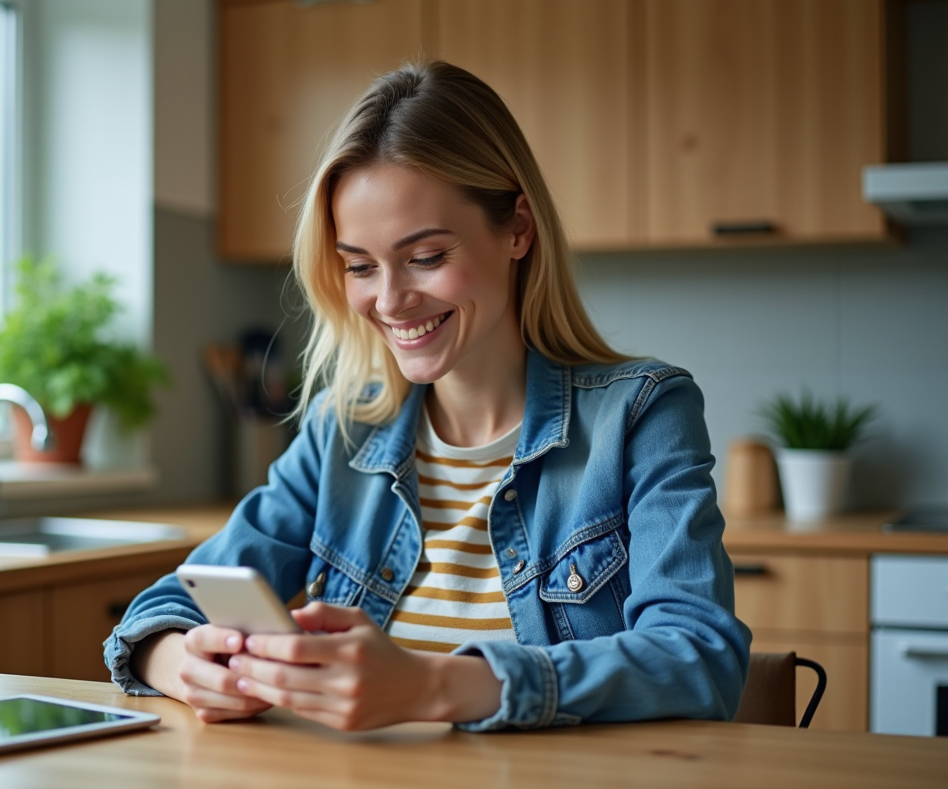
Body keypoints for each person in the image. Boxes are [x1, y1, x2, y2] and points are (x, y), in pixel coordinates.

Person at [105, 61, 751, 732]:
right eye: (359, 265)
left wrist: (431, 686)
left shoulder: (641, 414)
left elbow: (701, 657)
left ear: (518, 230)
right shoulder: (342, 431)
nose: (388, 301)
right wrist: (184, 666)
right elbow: (160, 612)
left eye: (427, 257)